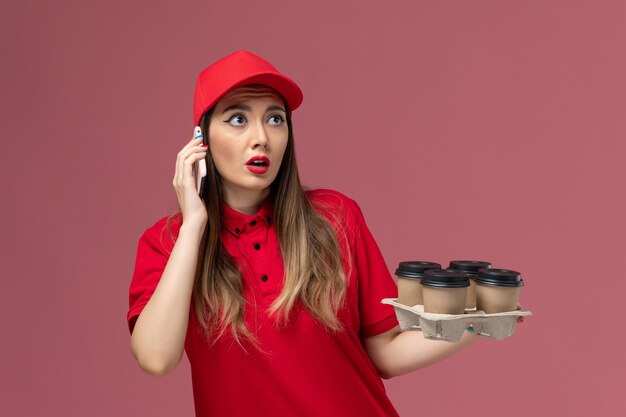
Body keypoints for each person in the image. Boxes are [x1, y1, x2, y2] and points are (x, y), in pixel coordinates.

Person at [127, 50, 479, 417]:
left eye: (275, 119)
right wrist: (194, 225)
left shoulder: (336, 217)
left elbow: (384, 352)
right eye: (237, 119)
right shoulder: (167, 243)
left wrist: (476, 322)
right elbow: (155, 358)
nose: (261, 137)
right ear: (200, 138)